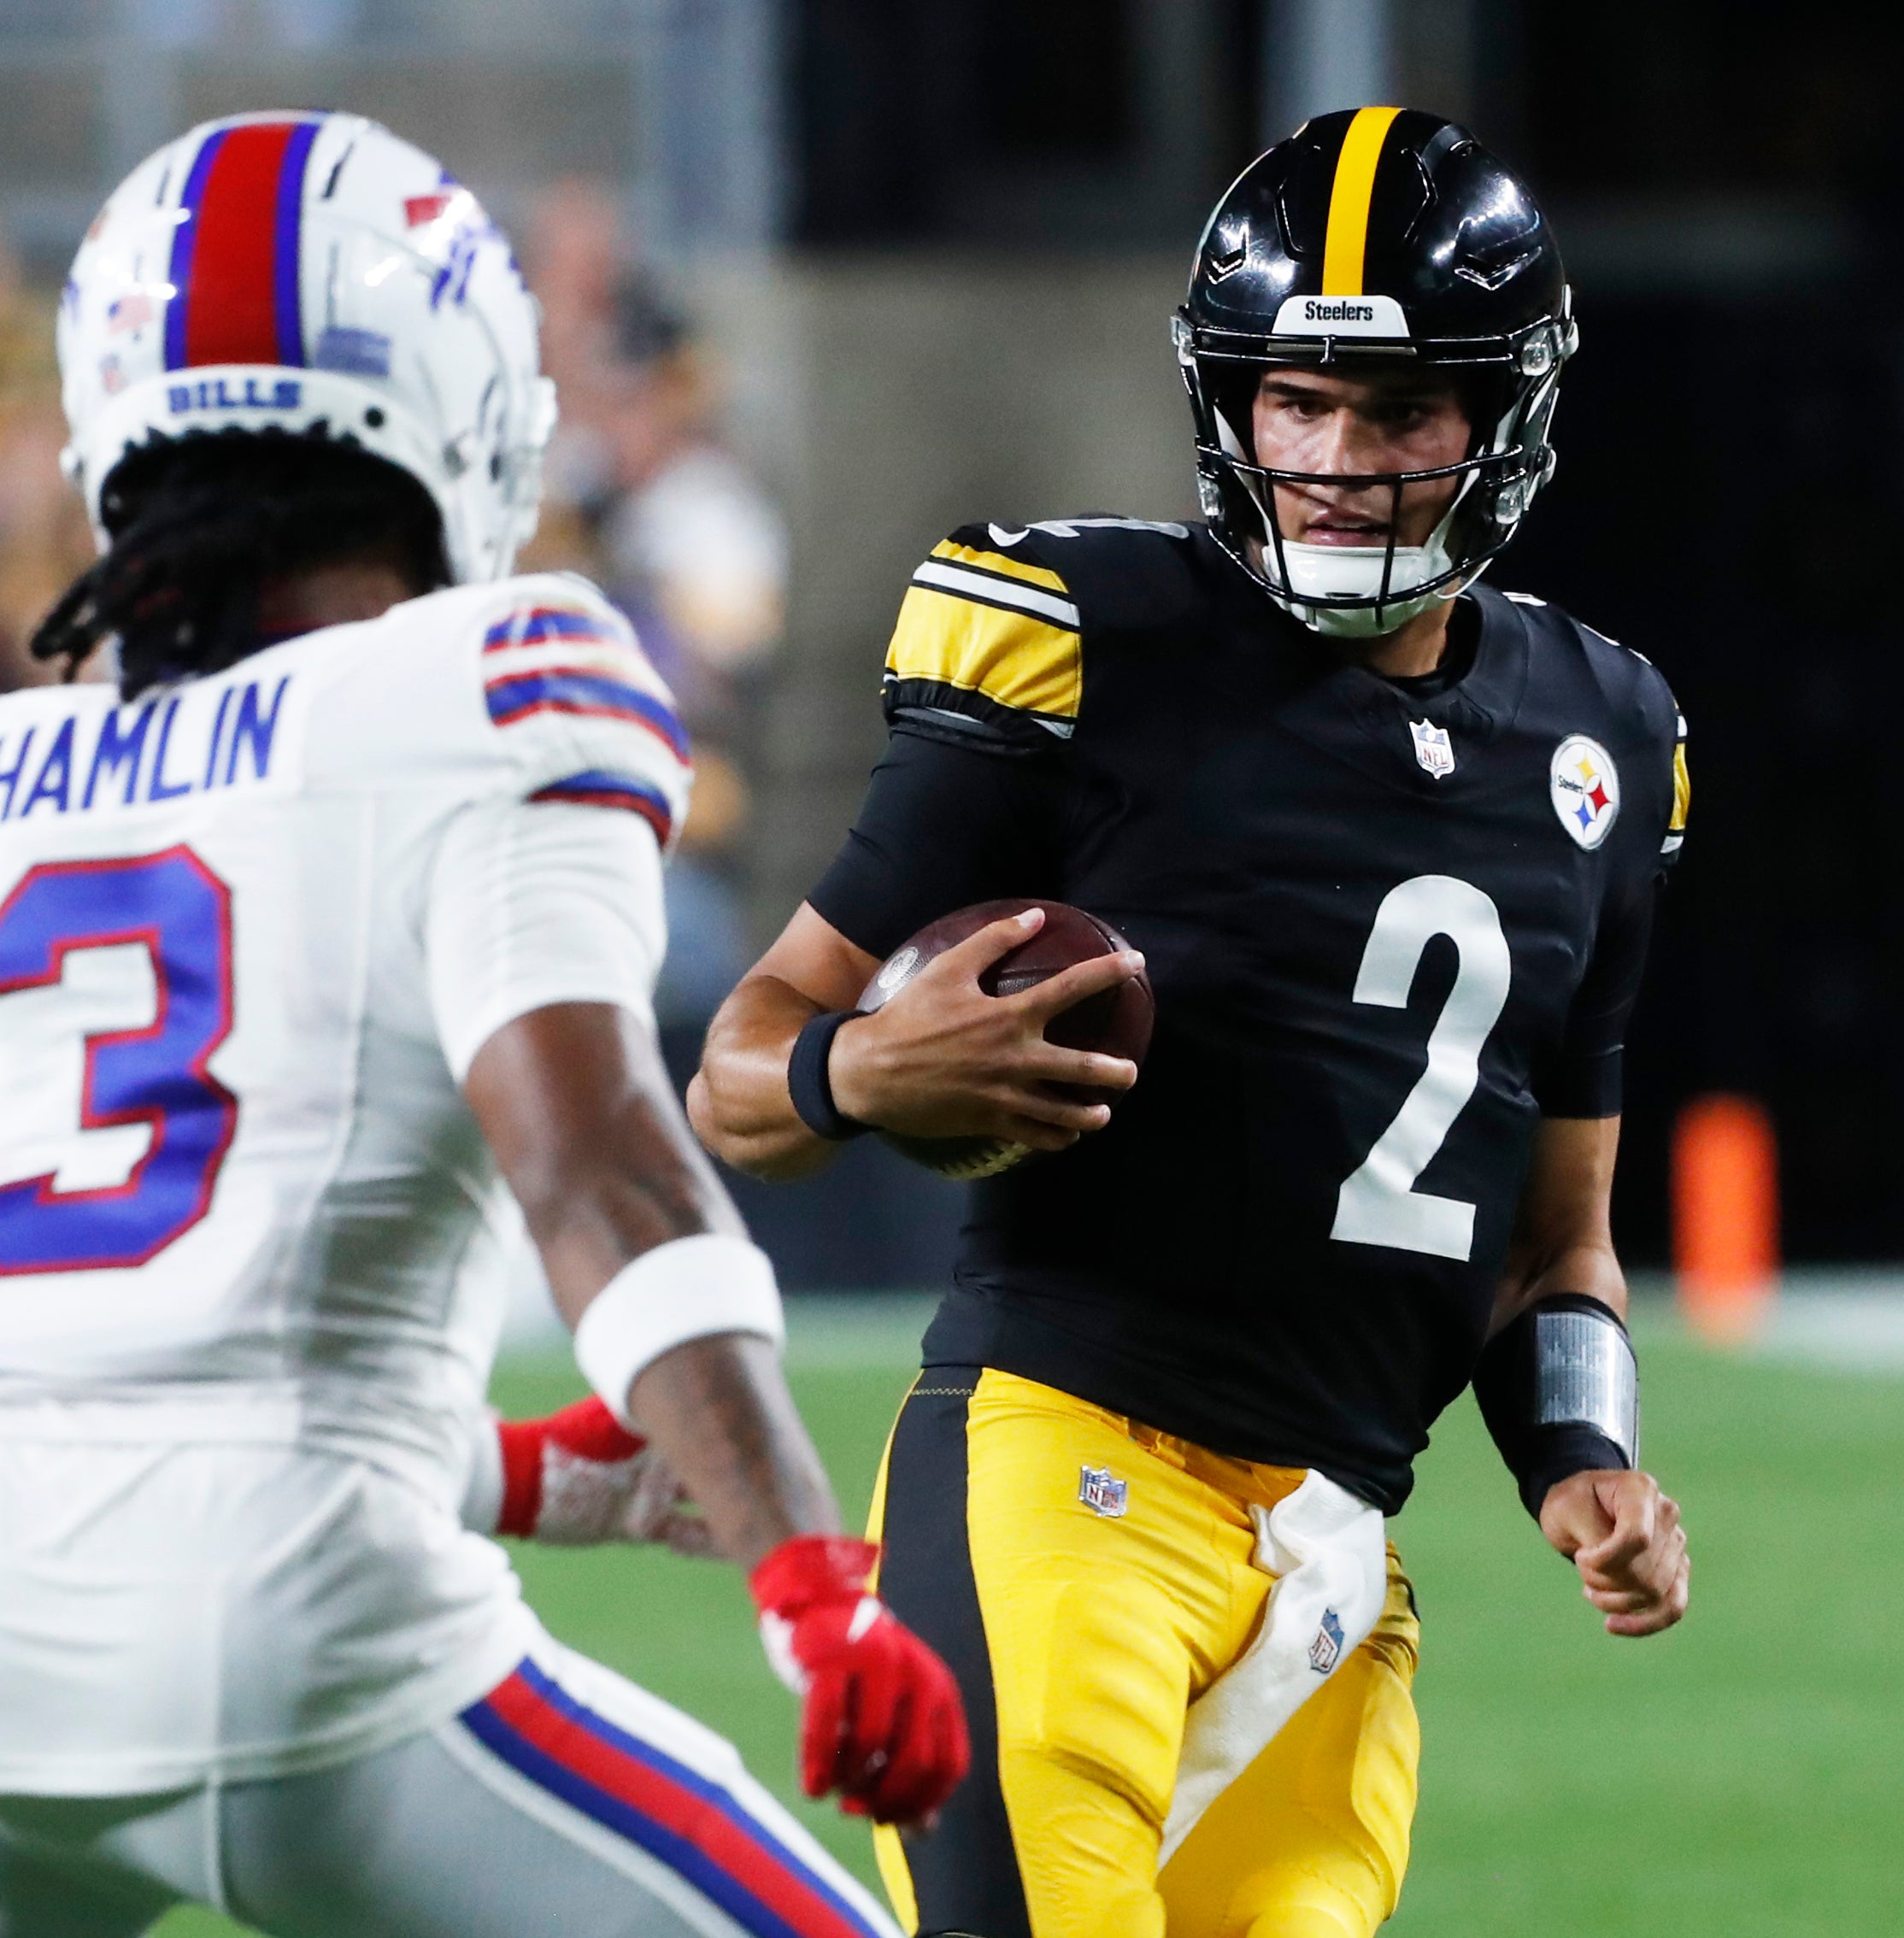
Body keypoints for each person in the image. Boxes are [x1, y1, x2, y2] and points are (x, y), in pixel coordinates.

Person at [0, 112, 962, 1937]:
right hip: (310, 1640)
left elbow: (134, 1350)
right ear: (458, 404)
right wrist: (809, 1579)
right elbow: (597, 1169)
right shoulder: (488, 687)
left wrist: (513, 1467)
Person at [691, 108, 1691, 1938]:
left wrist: (1583, 1454)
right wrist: (859, 1066)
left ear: (1506, 415)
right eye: (1294, 402)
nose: (1335, 463)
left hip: (1332, 1556)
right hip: (1064, 1475)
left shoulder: (1603, 738)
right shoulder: (1086, 637)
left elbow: (1554, 1242)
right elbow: (736, 1071)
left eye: (1398, 413)